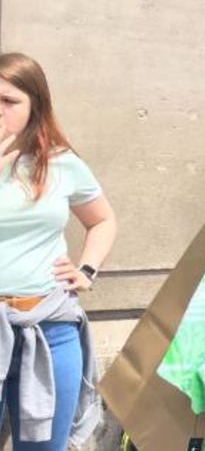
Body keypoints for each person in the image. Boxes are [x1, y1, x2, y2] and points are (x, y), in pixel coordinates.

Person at [0, 52, 115, 450]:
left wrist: (87, 269)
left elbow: (102, 220)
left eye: (9, 101)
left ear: (35, 106)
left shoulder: (60, 163)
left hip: (50, 327)